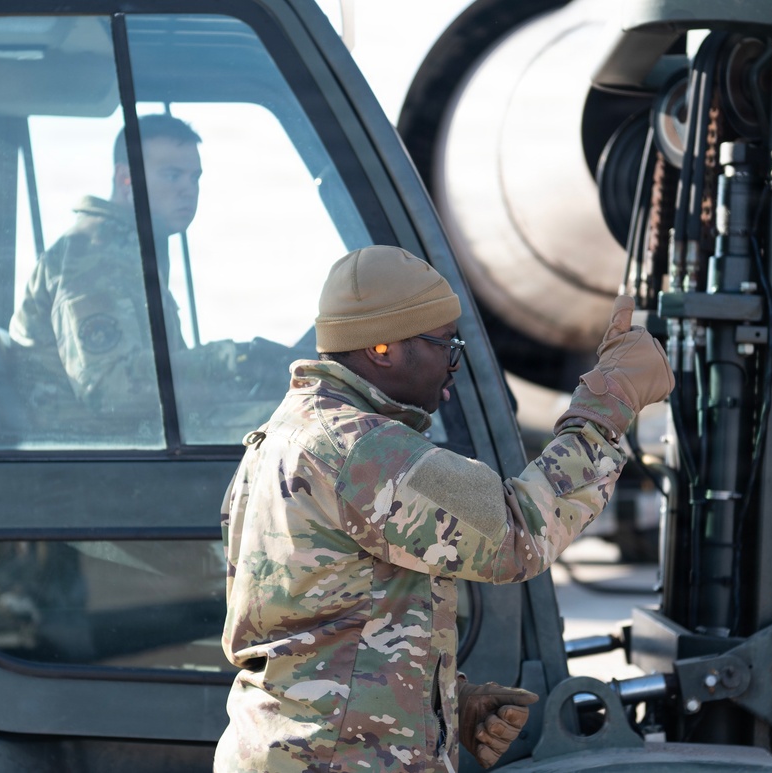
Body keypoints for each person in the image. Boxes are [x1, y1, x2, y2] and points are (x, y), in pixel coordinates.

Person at [216, 245, 675, 772]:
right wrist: (608, 400)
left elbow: (314, 619)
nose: (453, 365)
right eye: (445, 344)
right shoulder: (359, 448)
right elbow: (517, 534)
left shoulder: (288, 434)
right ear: (382, 349)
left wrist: (439, 700)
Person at [8, 114, 202, 435]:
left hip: (125, 437)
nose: (188, 190)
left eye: (194, 178)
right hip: (88, 447)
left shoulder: (134, 248)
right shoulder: (96, 254)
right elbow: (112, 392)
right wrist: (231, 363)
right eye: (172, 176)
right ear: (127, 180)